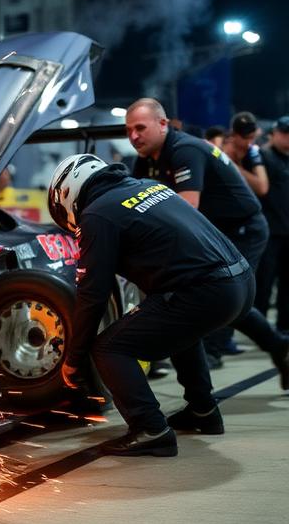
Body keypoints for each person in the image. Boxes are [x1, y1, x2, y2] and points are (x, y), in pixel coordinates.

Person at [49, 155, 253, 457]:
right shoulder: (150, 186)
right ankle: (203, 411)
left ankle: (150, 428)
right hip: (242, 280)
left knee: (109, 348)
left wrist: (74, 359)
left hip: (207, 290)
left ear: (67, 194)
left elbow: (92, 295)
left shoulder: (97, 214)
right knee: (177, 324)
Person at [125, 98, 289, 385]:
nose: (133, 136)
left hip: (244, 228)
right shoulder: (147, 158)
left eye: (140, 127)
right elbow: (132, 205)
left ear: (163, 124)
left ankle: (224, 352)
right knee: (217, 296)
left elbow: (186, 208)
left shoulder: (184, 150)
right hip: (214, 230)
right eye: (129, 130)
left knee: (226, 297)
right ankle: (277, 347)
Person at [254, 116, 289, 332]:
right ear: (273, 134)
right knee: (263, 283)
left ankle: (284, 327)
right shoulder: (263, 157)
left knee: (287, 284)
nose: (287, 137)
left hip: (288, 233)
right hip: (270, 232)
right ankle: (259, 329)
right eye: (284, 133)